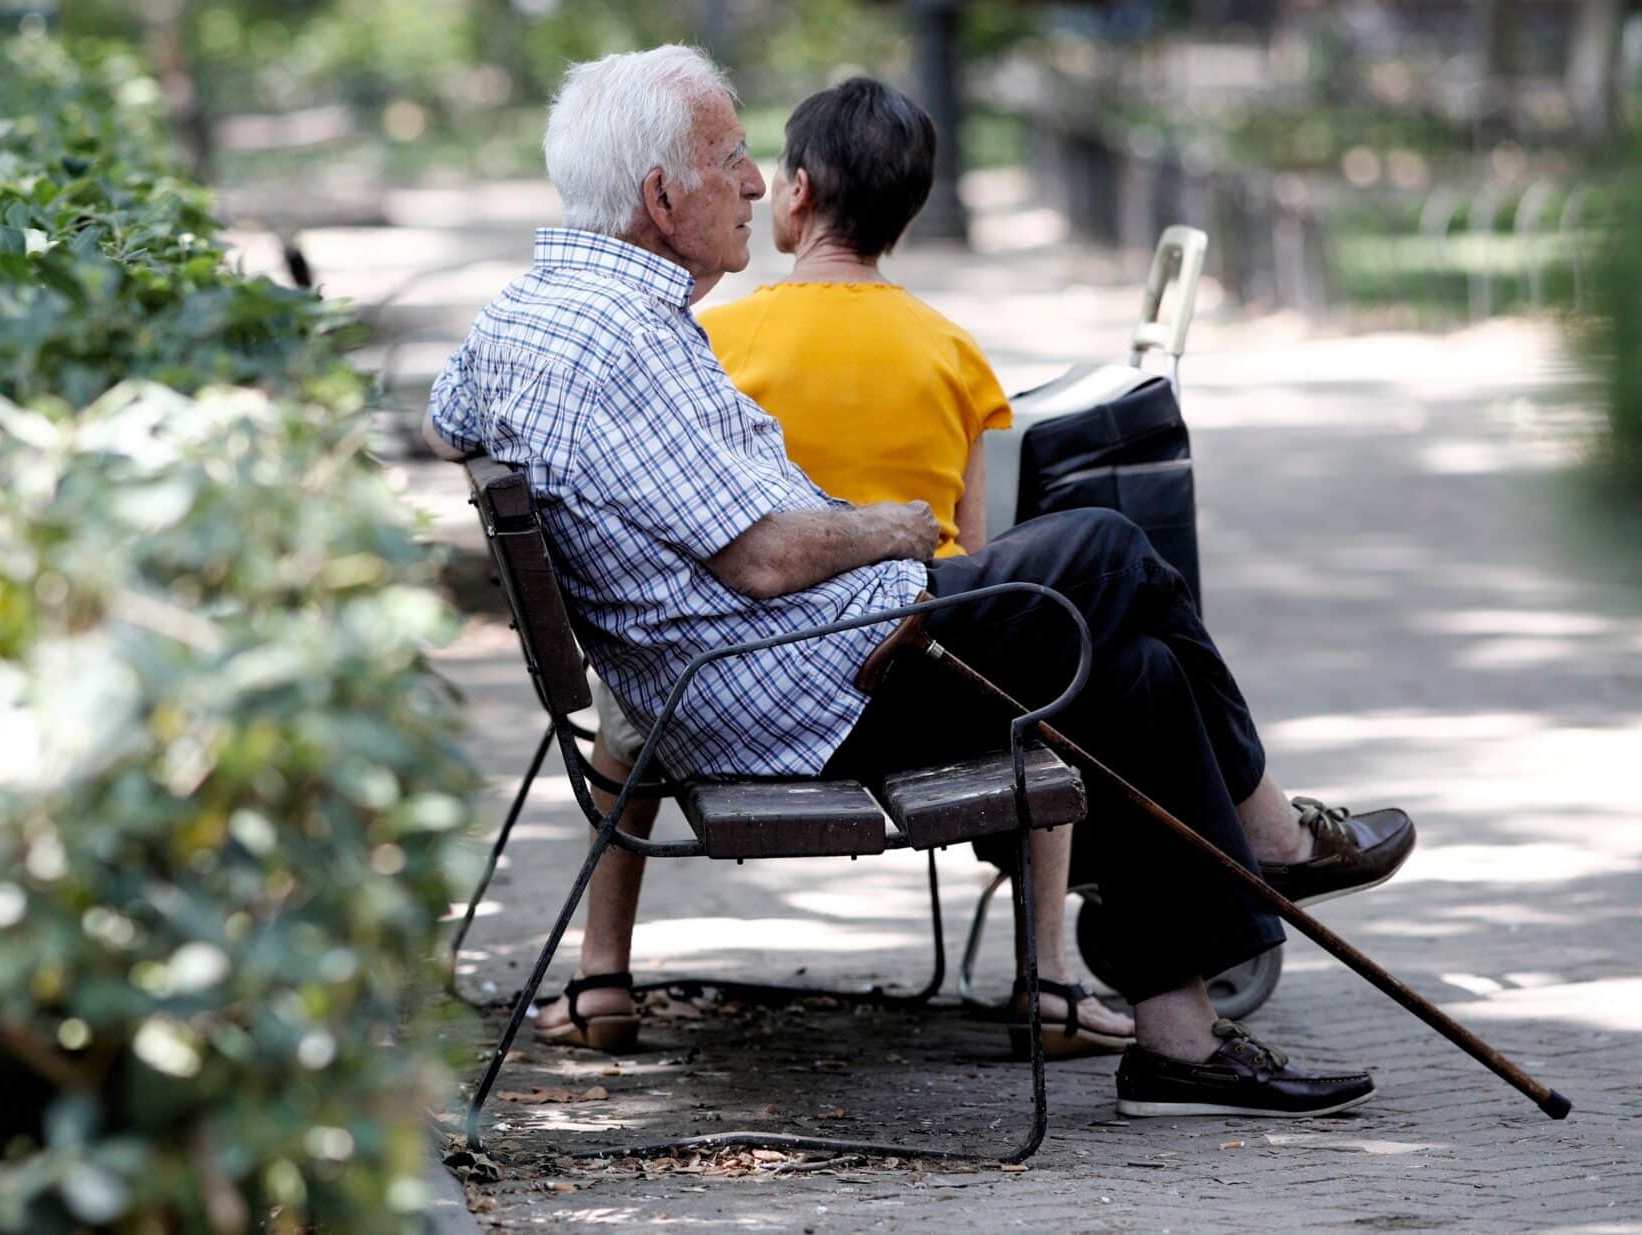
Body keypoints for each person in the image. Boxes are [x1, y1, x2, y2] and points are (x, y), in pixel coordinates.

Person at [424, 45, 1416, 1118]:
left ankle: (1176, 1043)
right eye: (731, 159)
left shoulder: (528, 314)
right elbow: (757, 559)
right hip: (806, 692)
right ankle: (1270, 835)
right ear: (661, 196)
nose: (756, 183)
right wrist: (888, 529)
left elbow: (445, 418)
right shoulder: (622, 343)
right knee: (1109, 547)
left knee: (1129, 670)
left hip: (783, 669)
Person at [570, 75, 1139, 1058]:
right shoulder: (953, 353)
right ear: (910, 210)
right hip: (914, 691)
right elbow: (976, 549)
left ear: (793, 193)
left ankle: (598, 972)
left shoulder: (713, 340)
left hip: (724, 706)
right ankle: (1046, 977)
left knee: (618, 703)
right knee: (1047, 653)